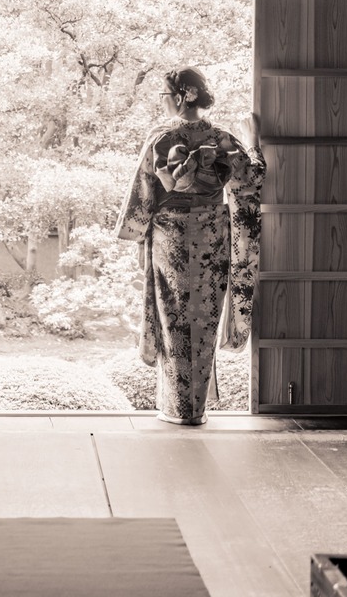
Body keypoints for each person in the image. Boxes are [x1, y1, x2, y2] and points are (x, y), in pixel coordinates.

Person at [114, 66, 264, 425]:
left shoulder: (161, 138)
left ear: (182, 97)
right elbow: (252, 180)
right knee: (206, 315)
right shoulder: (223, 138)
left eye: (164, 96)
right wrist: (255, 143)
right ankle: (194, 409)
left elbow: (144, 192)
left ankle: (177, 409)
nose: (163, 104)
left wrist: (139, 236)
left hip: (171, 238)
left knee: (174, 317)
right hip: (213, 235)